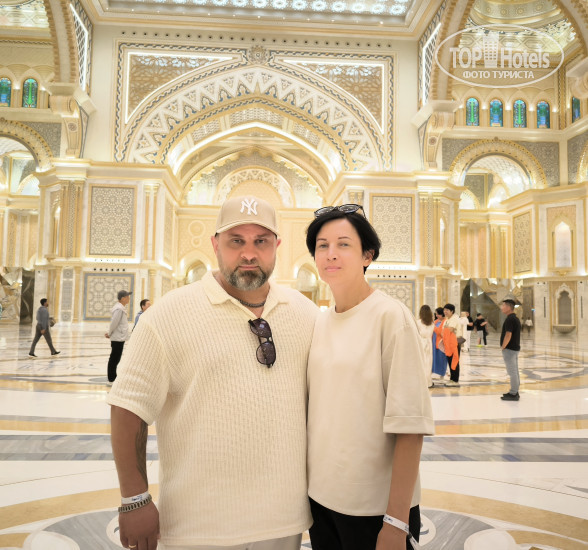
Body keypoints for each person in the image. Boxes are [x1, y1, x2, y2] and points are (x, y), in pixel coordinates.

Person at [107, 195, 318, 550]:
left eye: (261, 241)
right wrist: (134, 498)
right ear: (215, 244)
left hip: (284, 522)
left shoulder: (304, 313)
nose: (249, 254)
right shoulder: (168, 315)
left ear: (277, 246)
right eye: (236, 241)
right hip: (198, 526)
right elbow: (128, 408)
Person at [305, 204, 434, 550]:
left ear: (367, 255)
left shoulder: (390, 317)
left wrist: (396, 521)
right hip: (322, 502)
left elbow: (410, 426)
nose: (331, 254)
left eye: (343, 244)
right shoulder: (320, 322)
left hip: (374, 510)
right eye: (322, 245)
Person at [105, 290, 132, 382]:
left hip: (119, 337)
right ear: (123, 298)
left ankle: (113, 375)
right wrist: (109, 333)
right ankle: (111, 377)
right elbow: (114, 322)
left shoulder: (121, 308)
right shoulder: (119, 309)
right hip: (117, 337)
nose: (128, 299)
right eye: (127, 297)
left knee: (116, 357)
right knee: (114, 358)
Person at [500, 299, 522, 401]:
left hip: (510, 349)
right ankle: (515, 391)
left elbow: (508, 334)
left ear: (508, 307)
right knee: (515, 371)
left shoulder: (510, 319)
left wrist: (503, 346)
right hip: (514, 348)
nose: (502, 307)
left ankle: (513, 393)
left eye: (503, 305)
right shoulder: (514, 318)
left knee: (512, 371)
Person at [438, 303, 462, 386]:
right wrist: (446, 329)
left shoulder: (454, 319)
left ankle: (455, 380)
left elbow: (450, 330)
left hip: (454, 343)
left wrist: (445, 329)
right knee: (450, 361)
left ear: (452, 311)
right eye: (444, 310)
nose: (445, 311)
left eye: (447, 310)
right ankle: (452, 379)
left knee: (454, 361)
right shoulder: (447, 319)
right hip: (448, 343)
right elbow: (443, 332)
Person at [416, 305, 434, 388]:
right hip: (429, 343)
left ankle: (420, 382)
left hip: (420, 343)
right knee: (428, 363)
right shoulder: (432, 323)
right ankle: (428, 382)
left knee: (420, 363)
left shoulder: (418, 322)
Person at [432, 307, 447, 383]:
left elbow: (441, 332)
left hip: (441, 343)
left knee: (442, 359)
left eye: (438, 314)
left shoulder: (445, 321)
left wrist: (434, 328)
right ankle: (434, 371)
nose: (436, 315)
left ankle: (442, 374)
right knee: (435, 358)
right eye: (436, 314)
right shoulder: (436, 321)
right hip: (434, 342)